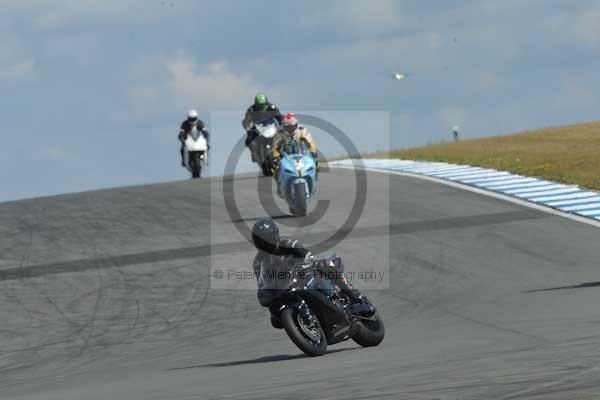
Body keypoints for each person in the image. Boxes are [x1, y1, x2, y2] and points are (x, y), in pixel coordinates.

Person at [251, 218, 371, 329]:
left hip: (303, 274)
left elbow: (305, 254)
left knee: (326, 264)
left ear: (273, 236)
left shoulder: (286, 243)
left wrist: (305, 263)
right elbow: (263, 282)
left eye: (266, 238)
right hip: (285, 286)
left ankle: (356, 297)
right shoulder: (258, 261)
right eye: (260, 240)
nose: (264, 243)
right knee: (275, 318)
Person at [241, 93, 283, 161]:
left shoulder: (272, 107)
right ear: (256, 104)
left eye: (263, 105)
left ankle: (282, 151)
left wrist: (281, 125)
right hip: (258, 129)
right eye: (259, 106)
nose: (261, 107)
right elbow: (247, 120)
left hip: (271, 127)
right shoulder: (251, 109)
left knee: (283, 137)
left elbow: (280, 117)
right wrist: (247, 126)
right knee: (249, 140)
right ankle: (254, 154)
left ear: (266, 103)